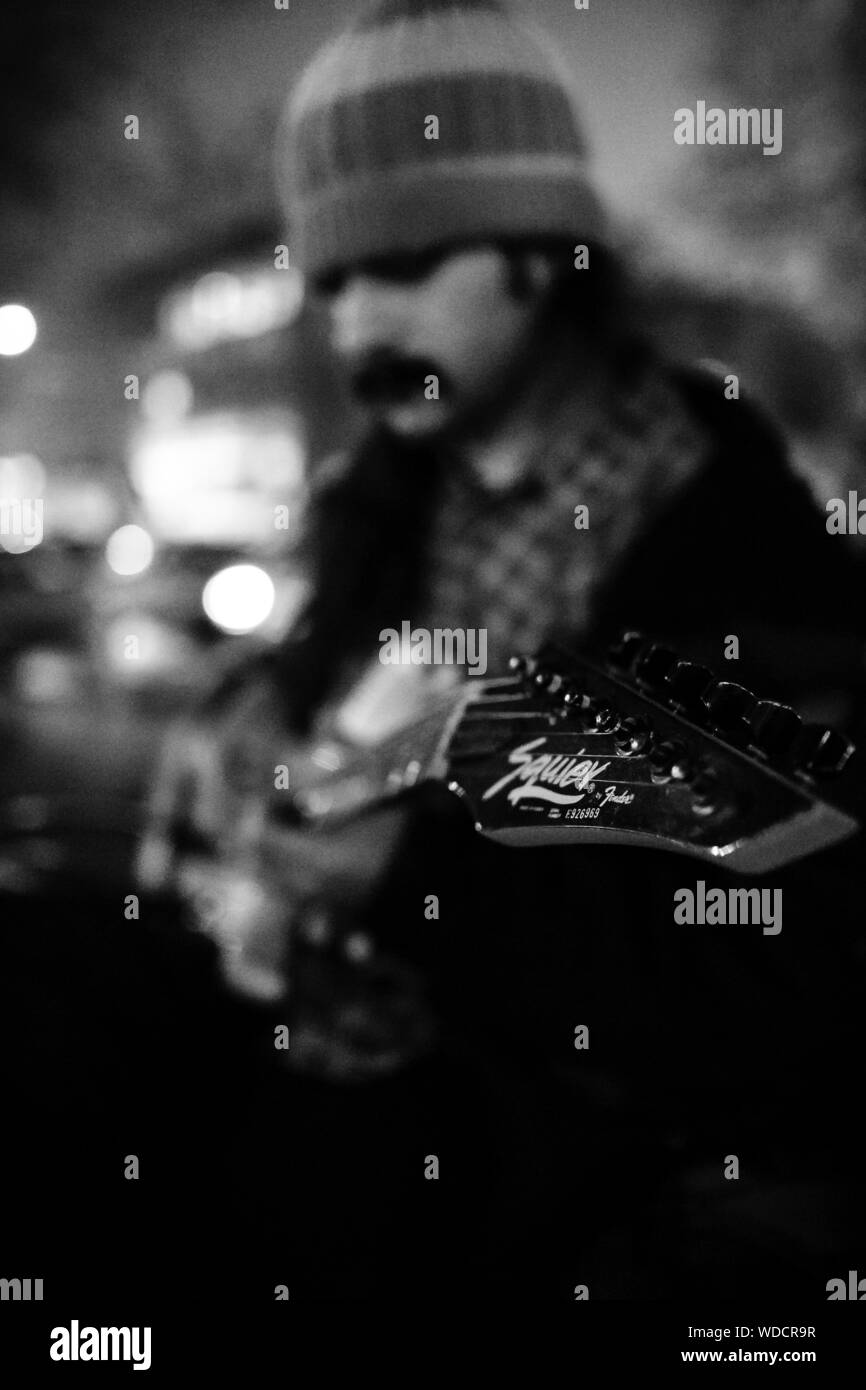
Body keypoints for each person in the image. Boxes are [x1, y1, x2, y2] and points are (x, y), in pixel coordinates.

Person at [137, 0, 866, 1301]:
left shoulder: (737, 551)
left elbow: (784, 971)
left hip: (616, 1240)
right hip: (351, 1172)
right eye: (333, 277)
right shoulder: (377, 512)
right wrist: (249, 713)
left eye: (404, 264)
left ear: (544, 252)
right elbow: (323, 729)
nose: (359, 319)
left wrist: (417, 878)